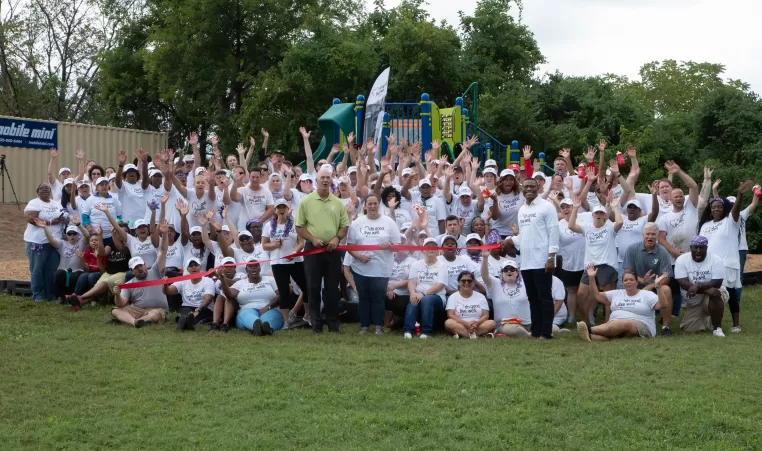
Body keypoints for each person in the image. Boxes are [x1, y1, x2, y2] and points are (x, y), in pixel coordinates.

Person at [295, 167, 350, 333]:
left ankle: (333, 323)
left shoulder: (337, 202)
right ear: (316, 181)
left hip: (333, 249)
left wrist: (337, 238)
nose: (325, 180)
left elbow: (344, 226)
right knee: (313, 287)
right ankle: (316, 324)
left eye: (328, 178)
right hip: (313, 249)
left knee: (333, 288)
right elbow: (299, 226)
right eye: (322, 178)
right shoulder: (306, 201)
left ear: (331, 180)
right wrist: (312, 239)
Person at [698, 181, 753, 332]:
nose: (716, 209)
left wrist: (740, 195)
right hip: (709, 265)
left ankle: (734, 325)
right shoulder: (705, 225)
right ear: (710, 210)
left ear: (725, 209)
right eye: (713, 207)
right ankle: (715, 323)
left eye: (719, 207)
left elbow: (736, 210)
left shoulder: (731, 222)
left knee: (731, 294)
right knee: (715, 294)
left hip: (727, 264)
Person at [508, 178, 559, 339]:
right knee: (532, 298)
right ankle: (536, 332)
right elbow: (523, 236)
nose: (529, 189)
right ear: (522, 188)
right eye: (526, 186)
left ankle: (546, 332)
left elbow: (553, 231)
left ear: (538, 187)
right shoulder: (522, 209)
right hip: (526, 261)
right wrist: (508, 241)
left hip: (542, 259)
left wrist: (551, 256)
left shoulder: (547, 206)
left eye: (532, 186)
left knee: (544, 297)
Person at [346, 193, 401, 335]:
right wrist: (358, 257)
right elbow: (350, 245)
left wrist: (389, 246)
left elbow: (397, 245)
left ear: (379, 205)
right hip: (360, 268)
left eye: (375, 203)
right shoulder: (357, 223)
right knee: (363, 297)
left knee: (378, 298)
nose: (372, 206)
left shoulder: (389, 222)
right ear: (364, 206)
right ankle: (363, 327)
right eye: (369, 203)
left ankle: (378, 327)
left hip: (381, 268)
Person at [568, 197, 622, 325]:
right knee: (581, 294)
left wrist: (614, 207)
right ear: (592, 215)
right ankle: (585, 321)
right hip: (590, 266)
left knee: (608, 297)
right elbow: (570, 225)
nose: (598, 215)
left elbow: (619, 223)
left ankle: (608, 323)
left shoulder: (609, 227)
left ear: (605, 215)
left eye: (601, 213)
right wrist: (575, 209)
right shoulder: (587, 227)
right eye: (596, 213)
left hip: (607, 264)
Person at [576, 265, 667, 342]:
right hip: (615, 324)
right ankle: (589, 336)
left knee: (625, 323)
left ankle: (589, 329)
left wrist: (658, 287)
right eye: (625, 280)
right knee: (619, 330)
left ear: (636, 282)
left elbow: (662, 305)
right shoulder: (617, 293)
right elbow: (596, 295)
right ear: (622, 283)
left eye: (631, 280)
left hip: (642, 325)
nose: (628, 282)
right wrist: (591, 278)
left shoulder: (647, 294)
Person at [110, 224, 169, 328]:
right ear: (132, 272)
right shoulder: (129, 284)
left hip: (157, 309)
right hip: (137, 310)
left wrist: (164, 234)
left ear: (145, 266)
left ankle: (140, 320)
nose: (140, 269)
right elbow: (121, 303)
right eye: (136, 268)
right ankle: (135, 322)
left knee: (155, 314)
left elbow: (163, 251)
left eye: (141, 266)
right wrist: (117, 295)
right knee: (115, 311)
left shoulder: (155, 271)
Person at [622, 222, 674, 336]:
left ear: (657, 236)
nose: (650, 237)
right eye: (648, 234)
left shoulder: (663, 252)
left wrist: (650, 286)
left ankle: (665, 327)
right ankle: (627, 321)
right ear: (643, 235)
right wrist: (641, 280)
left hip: (656, 285)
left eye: (653, 234)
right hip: (637, 283)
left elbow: (667, 277)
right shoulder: (632, 249)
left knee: (666, 289)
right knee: (627, 284)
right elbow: (627, 272)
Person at [262, 199, 308, 329]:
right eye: (279, 207)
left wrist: (294, 253)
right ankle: (287, 321)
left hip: (295, 261)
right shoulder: (268, 226)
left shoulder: (295, 224)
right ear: (275, 210)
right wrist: (274, 244)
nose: (281, 210)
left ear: (288, 209)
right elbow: (264, 245)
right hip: (278, 262)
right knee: (283, 292)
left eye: (284, 207)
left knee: (306, 287)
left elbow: (301, 243)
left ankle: (308, 315)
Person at [674, 236, 728, 337]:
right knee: (689, 328)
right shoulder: (681, 260)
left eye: (701, 247)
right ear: (690, 248)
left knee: (715, 293)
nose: (698, 250)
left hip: (714, 292)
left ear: (706, 248)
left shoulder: (716, 260)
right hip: (695, 298)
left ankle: (717, 328)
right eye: (695, 247)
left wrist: (697, 286)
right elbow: (683, 283)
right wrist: (705, 290)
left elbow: (717, 283)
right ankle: (708, 319)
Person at [66, 229, 130, 310]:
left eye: (123, 232)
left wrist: (98, 258)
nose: (120, 233)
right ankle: (79, 301)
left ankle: (78, 297)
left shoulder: (128, 244)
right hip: (108, 273)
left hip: (121, 272)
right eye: (118, 231)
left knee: (101, 280)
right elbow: (103, 253)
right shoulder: (110, 245)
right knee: (87, 278)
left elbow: (102, 269)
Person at [217, 257, 283, 335]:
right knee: (246, 315)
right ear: (246, 270)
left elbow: (281, 294)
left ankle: (264, 327)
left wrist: (268, 306)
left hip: (270, 309)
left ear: (260, 268)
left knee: (270, 318)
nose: (253, 268)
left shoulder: (270, 280)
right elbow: (229, 295)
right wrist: (222, 279)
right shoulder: (240, 283)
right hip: (247, 310)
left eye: (256, 266)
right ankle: (258, 326)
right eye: (250, 266)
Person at [24, 182, 65, 302]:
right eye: (42, 188)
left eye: (47, 188)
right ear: (37, 191)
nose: (46, 190)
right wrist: (51, 222)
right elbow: (31, 219)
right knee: (37, 269)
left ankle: (50, 294)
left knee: (51, 269)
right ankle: (38, 295)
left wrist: (64, 219)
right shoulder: (34, 203)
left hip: (54, 242)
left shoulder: (56, 203)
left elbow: (63, 216)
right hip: (37, 241)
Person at [37, 217, 88, 303]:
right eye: (69, 234)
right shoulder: (62, 243)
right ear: (66, 235)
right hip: (63, 270)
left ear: (78, 235)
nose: (72, 236)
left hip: (78, 270)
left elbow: (87, 235)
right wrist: (45, 227)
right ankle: (61, 297)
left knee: (75, 276)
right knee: (59, 274)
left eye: (74, 233)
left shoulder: (82, 243)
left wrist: (79, 224)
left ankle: (72, 297)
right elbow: (51, 240)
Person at [404, 237, 447, 339]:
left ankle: (426, 331)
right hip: (419, 294)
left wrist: (423, 294)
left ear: (437, 250)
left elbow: (440, 285)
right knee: (413, 299)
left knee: (427, 299)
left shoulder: (442, 266)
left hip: (437, 296)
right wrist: (412, 293)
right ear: (423, 250)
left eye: (433, 247)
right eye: (427, 247)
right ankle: (408, 330)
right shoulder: (416, 264)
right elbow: (412, 281)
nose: (430, 249)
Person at [163, 257, 216, 331]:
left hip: (203, 308)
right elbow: (167, 291)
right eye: (191, 266)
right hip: (187, 307)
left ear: (200, 267)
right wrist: (165, 284)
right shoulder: (183, 280)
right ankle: (187, 322)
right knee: (183, 314)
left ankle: (186, 323)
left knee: (195, 317)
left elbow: (207, 300)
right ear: (187, 269)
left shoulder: (208, 281)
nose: (193, 267)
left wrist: (198, 310)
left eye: (196, 265)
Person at [556, 198, 585, 323]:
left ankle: (589, 316)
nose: (566, 209)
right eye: (563, 207)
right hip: (569, 263)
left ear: (574, 207)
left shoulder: (584, 219)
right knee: (572, 291)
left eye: (568, 206)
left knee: (585, 292)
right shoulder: (558, 225)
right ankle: (572, 316)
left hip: (586, 262)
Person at [444, 271, 496, 339]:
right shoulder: (453, 297)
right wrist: (466, 324)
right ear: (459, 282)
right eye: (463, 281)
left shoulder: (481, 296)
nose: (466, 283)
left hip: (478, 324)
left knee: (492, 323)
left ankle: (464, 335)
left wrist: (476, 324)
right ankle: (476, 335)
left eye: (469, 281)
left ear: (474, 283)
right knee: (448, 322)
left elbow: (486, 315)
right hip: (460, 324)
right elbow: (450, 315)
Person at [209, 256, 245, 333]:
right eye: (226, 266)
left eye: (231, 266)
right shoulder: (217, 281)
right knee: (219, 297)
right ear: (221, 268)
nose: (229, 268)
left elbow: (234, 282)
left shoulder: (241, 275)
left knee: (229, 298)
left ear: (235, 267)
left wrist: (220, 277)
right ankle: (215, 324)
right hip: (224, 308)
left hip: (237, 306)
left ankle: (225, 325)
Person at [488, 169, 523, 238]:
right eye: (505, 180)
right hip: (498, 232)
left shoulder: (520, 193)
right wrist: (495, 201)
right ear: (501, 181)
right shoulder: (494, 195)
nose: (508, 182)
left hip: (515, 232)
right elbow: (495, 217)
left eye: (511, 179)